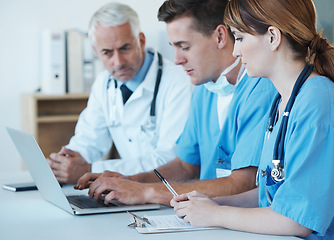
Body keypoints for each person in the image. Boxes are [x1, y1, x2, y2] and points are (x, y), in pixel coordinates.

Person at [171, 0, 334, 239]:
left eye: (239, 38)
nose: (235, 51)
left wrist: (217, 215)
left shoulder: (318, 106)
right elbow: (271, 194)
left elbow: (296, 220)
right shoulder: (283, 102)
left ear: (272, 37)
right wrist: (213, 203)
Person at [75, 0, 277, 206]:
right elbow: (184, 166)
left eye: (184, 47)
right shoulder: (204, 91)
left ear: (220, 36)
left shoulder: (260, 89)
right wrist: (129, 181)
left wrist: (147, 193)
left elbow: (242, 185)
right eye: (174, 47)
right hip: (205, 217)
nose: (177, 59)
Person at [46, 2, 193, 184]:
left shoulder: (179, 82)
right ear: (95, 51)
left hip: (170, 193)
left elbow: (170, 161)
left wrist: (92, 170)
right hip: (129, 192)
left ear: (141, 40)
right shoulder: (103, 84)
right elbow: (88, 141)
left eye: (125, 48)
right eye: (107, 52)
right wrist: (65, 162)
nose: (118, 62)